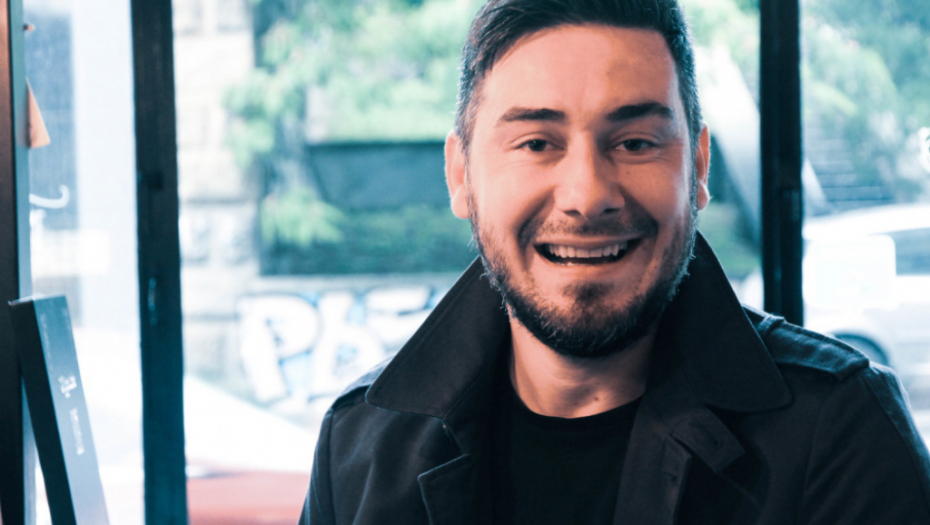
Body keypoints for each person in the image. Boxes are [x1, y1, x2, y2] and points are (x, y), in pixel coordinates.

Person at [299, 0, 930, 523]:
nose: (588, 194)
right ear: (461, 175)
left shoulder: (840, 431)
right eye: (536, 143)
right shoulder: (360, 446)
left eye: (634, 143)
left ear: (698, 167)